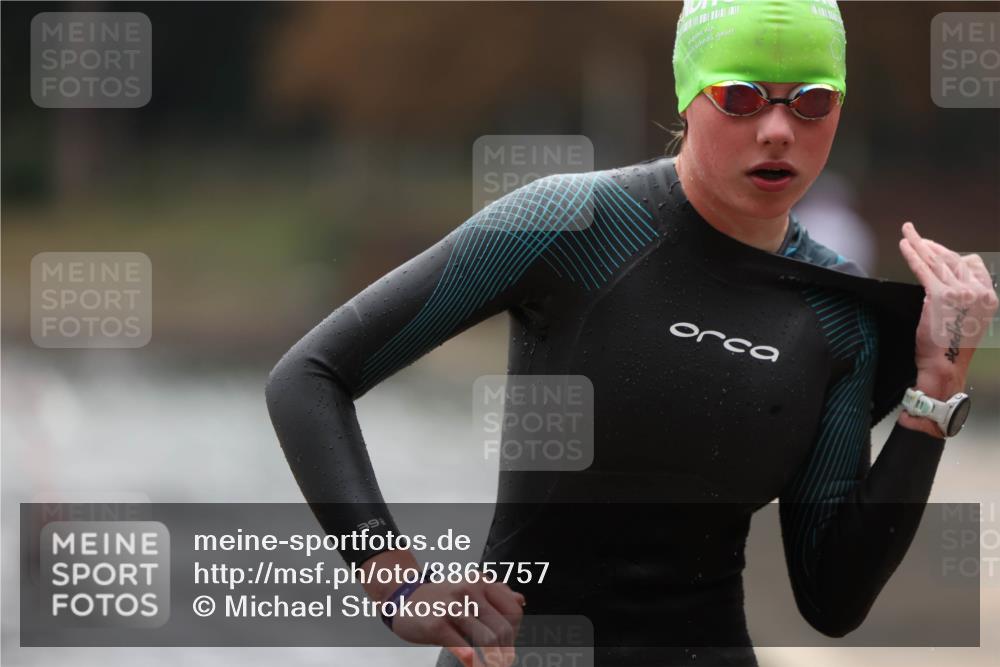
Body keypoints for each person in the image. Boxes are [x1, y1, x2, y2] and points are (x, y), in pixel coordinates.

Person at [265, 1, 998, 665]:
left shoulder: (838, 312)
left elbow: (833, 598)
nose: (778, 129)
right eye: (740, 97)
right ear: (687, 96)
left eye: (811, 101)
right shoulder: (573, 224)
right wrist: (394, 579)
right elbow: (311, 376)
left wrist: (936, 390)